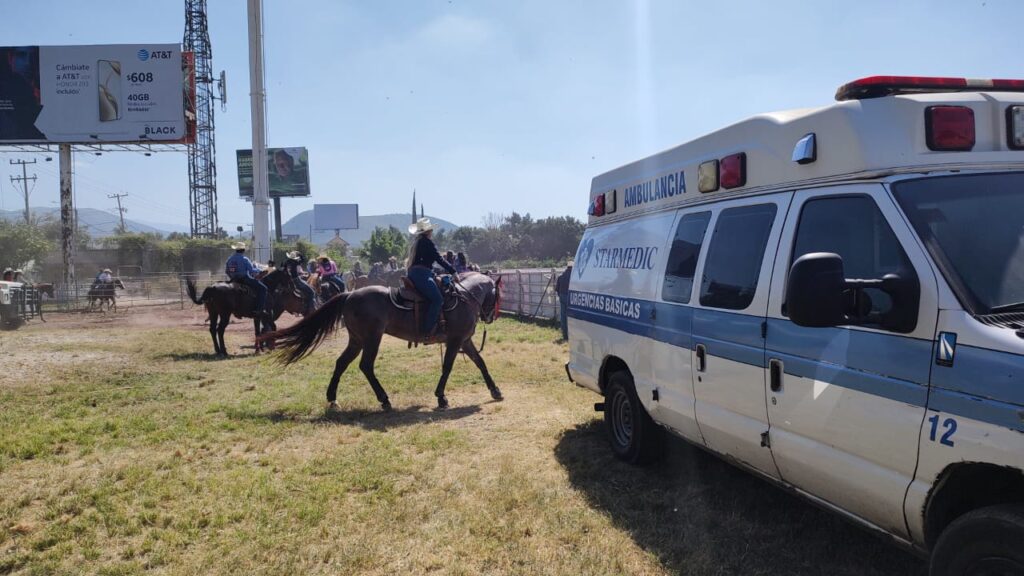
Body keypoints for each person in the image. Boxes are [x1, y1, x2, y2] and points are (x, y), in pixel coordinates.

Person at [407, 218, 457, 337]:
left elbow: (428, 263)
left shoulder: (418, 242)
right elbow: (439, 259)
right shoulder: (426, 242)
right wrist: (453, 271)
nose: (432, 232)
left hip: (418, 273)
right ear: (428, 231)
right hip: (422, 274)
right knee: (438, 300)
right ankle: (427, 331)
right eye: (431, 230)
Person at [225, 242, 269, 317]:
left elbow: (227, 271)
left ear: (236, 250)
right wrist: (261, 271)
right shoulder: (245, 259)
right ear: (243, 250)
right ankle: (259, 309)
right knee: (263, 289)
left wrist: (232, 278)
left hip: (234, 280)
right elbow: (252, 271)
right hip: (244, 279)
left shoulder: (230, 259)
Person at [555, 260, 573, 341]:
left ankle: (565, 335)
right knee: (572, 316)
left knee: (563, 316)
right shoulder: (573, 276)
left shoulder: (561, 276)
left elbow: (557, 289)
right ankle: (572, 335)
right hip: (570, 297)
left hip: (562, 295)